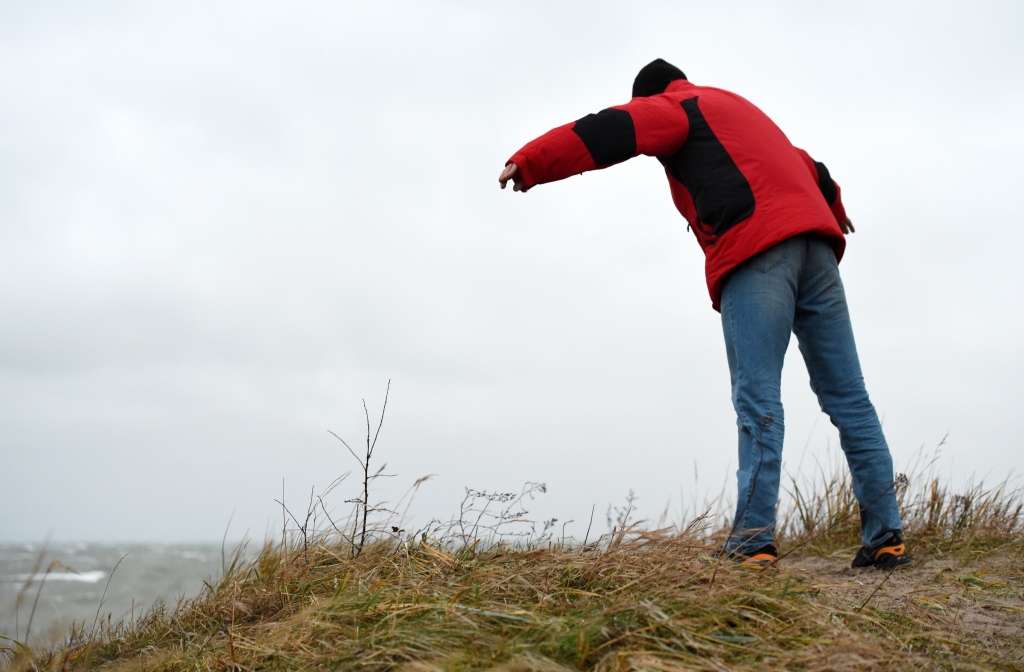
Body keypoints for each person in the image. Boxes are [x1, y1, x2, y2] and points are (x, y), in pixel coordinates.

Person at [498, 59, 909, 570]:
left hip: (758, 250)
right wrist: (835, 208)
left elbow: (611, 129)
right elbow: (809, 165)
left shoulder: (674, 108)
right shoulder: (734, 105)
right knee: (850, 398)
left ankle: (753, 541)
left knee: (758, 399)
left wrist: (530, 162)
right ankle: (886, 536)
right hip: (818, 251)